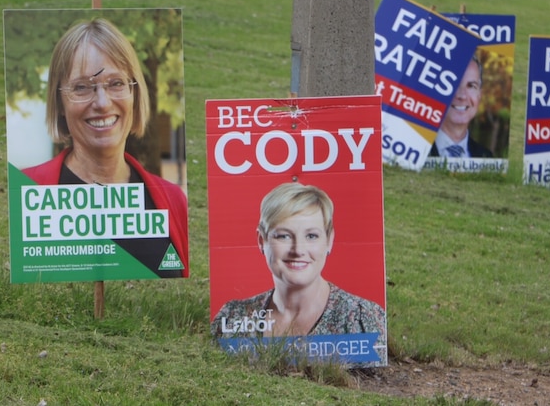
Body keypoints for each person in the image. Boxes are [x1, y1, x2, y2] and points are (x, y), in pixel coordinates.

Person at [22, 18, 188, 278]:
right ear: (60, 103)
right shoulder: (27, 192)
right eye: (81, 87)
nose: (102, 102)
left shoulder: (173, 200)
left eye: (116, 83)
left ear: (135, 94)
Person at [211, 182, 386, 358]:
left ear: (329, 240)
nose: (298, 250)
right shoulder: (233, 318)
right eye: (284, 236)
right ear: (261, 241)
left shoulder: (362, 319)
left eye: (311, 236)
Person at [429, 55, 494, 158]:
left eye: (471, 86)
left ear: (479, 95)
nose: (462, 96)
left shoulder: (486, 157)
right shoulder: (415, 152)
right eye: (454, 84)